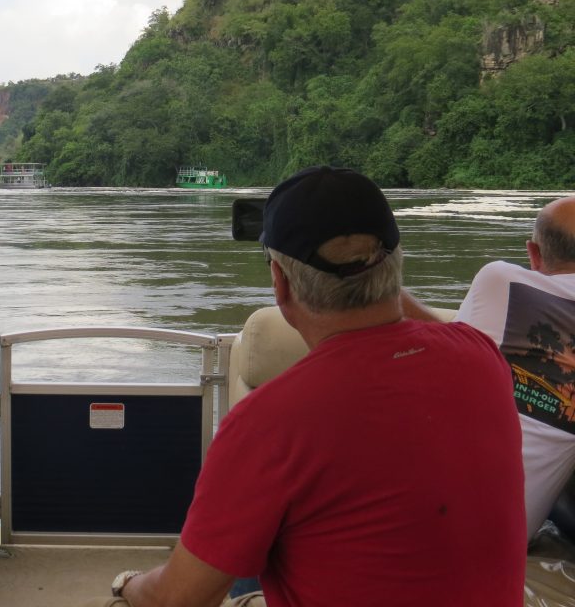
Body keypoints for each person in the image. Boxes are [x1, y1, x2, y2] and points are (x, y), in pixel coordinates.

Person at [89, 166, 526, 607]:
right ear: (395, 264)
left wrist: (127, 583)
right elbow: (425, 324)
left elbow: (177, 599)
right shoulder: (481, 357)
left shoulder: (270, 422)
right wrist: (374, 274)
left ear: (280, 282)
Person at [449, 195, 575, 542]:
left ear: (533, 253)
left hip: (423, 502)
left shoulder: (499, 279)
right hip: (501, 540)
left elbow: (451, 345)